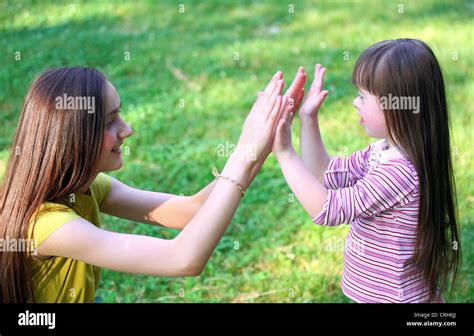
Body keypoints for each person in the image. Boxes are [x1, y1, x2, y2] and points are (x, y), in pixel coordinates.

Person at [0, 66, 305, 303]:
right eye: (109, 122)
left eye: (120, 115)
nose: (127, 130)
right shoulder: (50, 226)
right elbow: (184, 259)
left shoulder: (87, 187)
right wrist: (242, 153)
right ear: (72, 138)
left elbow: (190, 210)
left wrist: (256, 148)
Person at [272, 39, 461, 303]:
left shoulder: (400, 172)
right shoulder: (382, 152)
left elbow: (328, 209)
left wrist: (285, 154)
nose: (354, 103)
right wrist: (308, 119)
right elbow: (324, 172)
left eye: (363, 96)